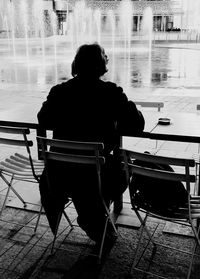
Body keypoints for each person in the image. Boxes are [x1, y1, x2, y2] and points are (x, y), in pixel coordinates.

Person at [37, 43, 145, 244]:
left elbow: (44, 118)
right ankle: (94, 212)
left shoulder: (59, 91)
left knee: (87, 176)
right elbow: (137, 124)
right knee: (125, 168)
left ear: (76, 64)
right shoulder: (110, 92)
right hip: (96, 175)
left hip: (59, 174)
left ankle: (92, 214)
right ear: (101, 64)